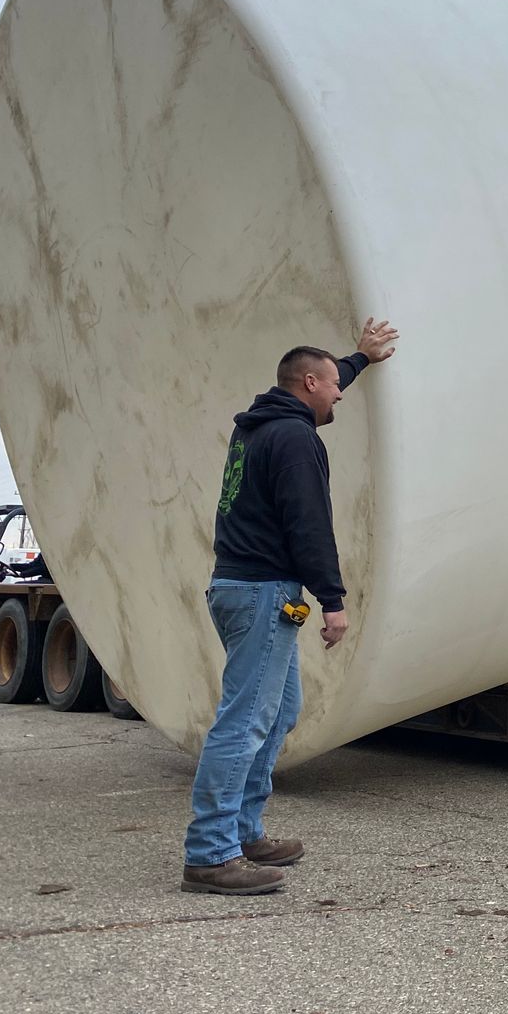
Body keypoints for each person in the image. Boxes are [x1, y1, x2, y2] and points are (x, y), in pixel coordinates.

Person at [181, 318, 400, 895]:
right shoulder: (298, 439)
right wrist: (333, 600)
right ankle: (210, 854)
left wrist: (359, 358)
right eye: (333, 386)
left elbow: (325, 378)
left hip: (239, 589)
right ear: (307, 384)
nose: (340, 395)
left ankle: (245, 830)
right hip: (263, 593)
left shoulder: (258, 429)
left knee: (277, 713)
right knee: (246, 719)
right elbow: (310, 526)